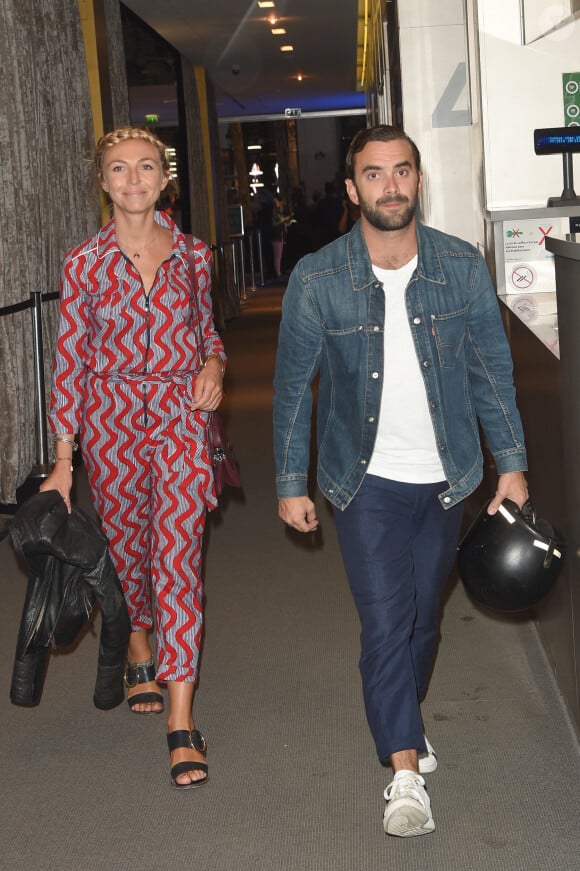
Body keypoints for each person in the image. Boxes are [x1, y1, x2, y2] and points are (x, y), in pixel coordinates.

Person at [273, 124, 528, 836]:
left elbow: (489, 371)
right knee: (386, 622)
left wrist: (512, 464)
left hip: (448, 478)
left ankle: (401, 722)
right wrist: (292, 479)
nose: (391, 186)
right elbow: (294, 387)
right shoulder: (318, 277)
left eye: (403, 171)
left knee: (422, 620)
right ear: (352, 188)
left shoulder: (460, 265)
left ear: (418, 180)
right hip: (365, 481)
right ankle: (405, 772)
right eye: (375, 174)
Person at [40, 125, 226, 790]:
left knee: (177, 555)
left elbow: (207, 331)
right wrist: (64, 457)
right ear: (103, 182)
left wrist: (213, 365)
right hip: (110, 422)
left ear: (163, 178)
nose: (134, 179)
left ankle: (181, 720)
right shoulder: (84, 263)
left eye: (146, 167)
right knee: (126, 551)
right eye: (119, 169)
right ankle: (138, 641)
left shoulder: (196, 255)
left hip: (180, 419)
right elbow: (70, 363)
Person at [272, 194, 293, 278]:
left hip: (280, 235)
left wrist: (286, 223)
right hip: (277, 235)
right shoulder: (275, 212)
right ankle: (278, 272)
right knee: (278, 255)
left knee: (279, 255)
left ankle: (278, 271)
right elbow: (276, 223)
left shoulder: (278, 212)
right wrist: (284, 220)